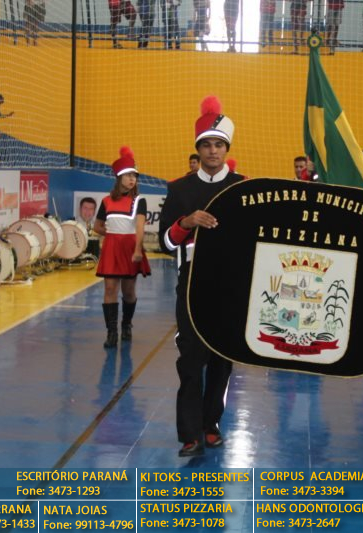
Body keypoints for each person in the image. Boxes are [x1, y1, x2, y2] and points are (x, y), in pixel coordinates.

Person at [159, 96, 244, 457]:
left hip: (229, 286)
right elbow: (165, 242)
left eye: (219, 145)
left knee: (222, 361)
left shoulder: (242, 186)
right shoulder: (179, 189)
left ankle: (211, 425)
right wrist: (186, 222)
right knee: (191, 361)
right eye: (207, 144)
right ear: (198, 148)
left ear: (227, 149)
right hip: (192, 284)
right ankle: (190, 434)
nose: (213, 151)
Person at [94, 146, 151, 348]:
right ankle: (112, 332)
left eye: (134, 176)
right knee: (110, 288)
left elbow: (140, 226)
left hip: (130, 248)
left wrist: (138, 249)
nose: (132, 179)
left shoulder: (139, 201)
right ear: (119, 178)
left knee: (128, 291)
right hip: (112, 248)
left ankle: (126, 324)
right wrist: (111, 236)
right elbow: (97, 226)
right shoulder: (106, 201)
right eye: (128, 175)